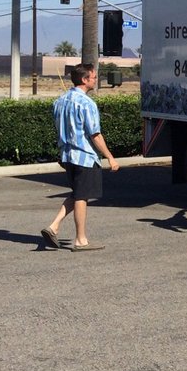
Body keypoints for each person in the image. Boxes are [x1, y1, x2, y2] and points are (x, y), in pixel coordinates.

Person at [41, 63, 120, 252]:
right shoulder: (86, 103)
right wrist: (110, 157)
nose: (96, 80)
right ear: (84, 80)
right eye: (93, 77)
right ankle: (81, 239)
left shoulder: (59, 101)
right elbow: (95, 134)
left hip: (67, 155)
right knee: (82, 197)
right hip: (84, 156)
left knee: (77, 192)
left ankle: (54, 226)